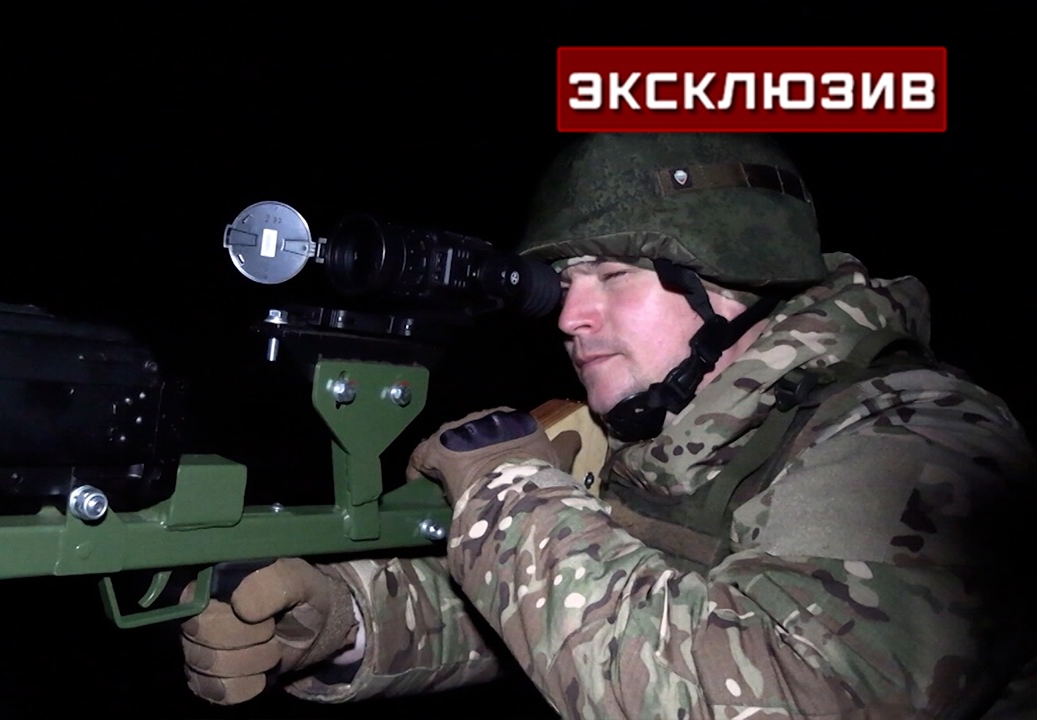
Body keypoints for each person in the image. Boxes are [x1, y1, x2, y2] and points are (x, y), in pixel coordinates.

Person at [178, 133, 1037, 718]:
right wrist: (343, 620)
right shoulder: (669, 438)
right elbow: (578, 604)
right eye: (564, 283)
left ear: (733, 284)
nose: (569, 317)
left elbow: (777, 687)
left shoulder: (917, 438)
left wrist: (509, 497)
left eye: (615, 275)